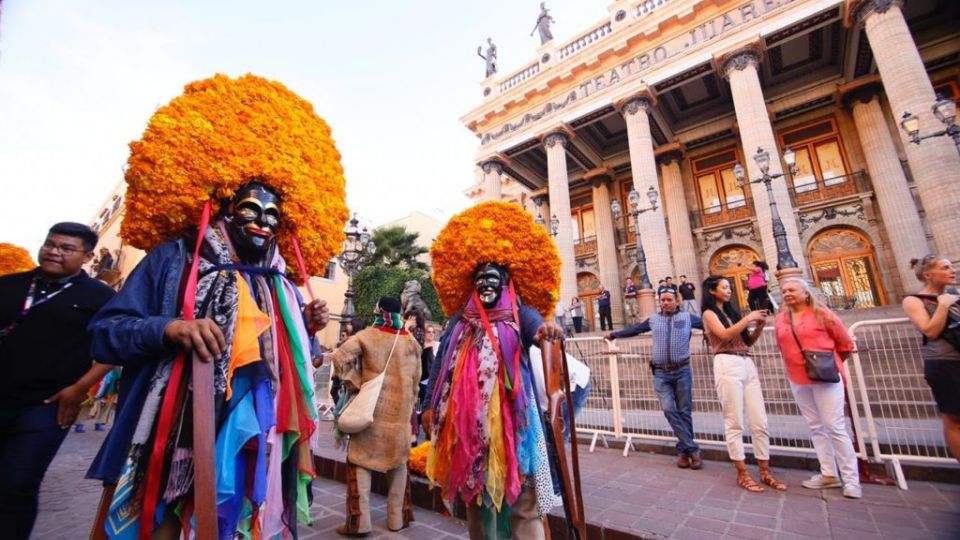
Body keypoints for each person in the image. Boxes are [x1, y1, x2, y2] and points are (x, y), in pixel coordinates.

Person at [85, 74, 345, 539]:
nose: (263, 224)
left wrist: (302, 328)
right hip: (172, 444)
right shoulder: (175, 258)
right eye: (251, 210)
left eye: (273, 216)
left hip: (251, 445)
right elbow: (107, 330)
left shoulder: (278, 282)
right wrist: (169, 330)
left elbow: (283, 362)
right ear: (224, 209)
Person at [423, 201, 567, 539]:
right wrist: (428, 407)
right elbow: (442, 364)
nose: (485, 284)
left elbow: (538, 329)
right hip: (468, 423)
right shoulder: (460, 320)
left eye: (493, 278)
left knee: (524, 498)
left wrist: (546, 331)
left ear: (508, 283)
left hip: (516, 423)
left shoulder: (522, 313)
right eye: (479, 279)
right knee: (477, 498)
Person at [0, 222, 115, 539]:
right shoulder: (9, 285)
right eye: (51, 244)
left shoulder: (100, 297)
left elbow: (114, 348)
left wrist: (78, 389)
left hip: (46, 407)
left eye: (66, 248)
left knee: (18, 482)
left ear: (88, 256)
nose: (54, 252)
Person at [333, 297, 421, 535]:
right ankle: (396, 520)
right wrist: (408, 408)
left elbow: (339, 358)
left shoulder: (366, 336)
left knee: (360, 462)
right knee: (398, 464)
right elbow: (415, 384)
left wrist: (355, 383)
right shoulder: (412, 342)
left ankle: (360, 523)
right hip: (400, 417)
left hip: (371, 414)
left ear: (379, 311)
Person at [775, 278, 861, 498]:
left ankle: (851, 480)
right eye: (784, 290)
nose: (787, 293)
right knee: (815, 426)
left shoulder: (822, 314)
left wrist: (831, 364)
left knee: (835, 426)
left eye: (792, 290)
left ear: (806, 293)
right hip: (798, 379)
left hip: (825, 378)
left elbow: (845, 344)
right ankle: (829, 474)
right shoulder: (781, 319)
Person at [701, 275, 785, 493]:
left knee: (760, 420)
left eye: (729, 287)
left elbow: (747, 341)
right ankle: (742, 473)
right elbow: (724, 335)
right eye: (725, 287)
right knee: (735, 420)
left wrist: (758, 326)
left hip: (746, 362)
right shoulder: (709, 314)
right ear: (712, 291)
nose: (729, 290)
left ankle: (765, 471)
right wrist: (747, 319)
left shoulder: (732, 312)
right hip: (726, 363)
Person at [605, 291, 703, 469]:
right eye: (662, 300)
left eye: (669, 300)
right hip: (661, 373)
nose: (665, 303)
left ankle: (683, 452)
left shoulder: (688, 318)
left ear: (677, 301)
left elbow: (711, 325)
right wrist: (614, 335)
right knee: (668, 409)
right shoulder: (653, 320)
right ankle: (693, 448)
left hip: (682, 370)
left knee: (685, 411)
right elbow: (635, 330)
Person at [902, 255, 960, 463]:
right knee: (954, 417)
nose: (952, 270)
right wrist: (943, 306)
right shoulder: (914, 300)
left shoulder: (956, 294)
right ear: (928, 274)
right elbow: (930, 331)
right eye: (945, 267)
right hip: (944, 363)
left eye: (951, 266)